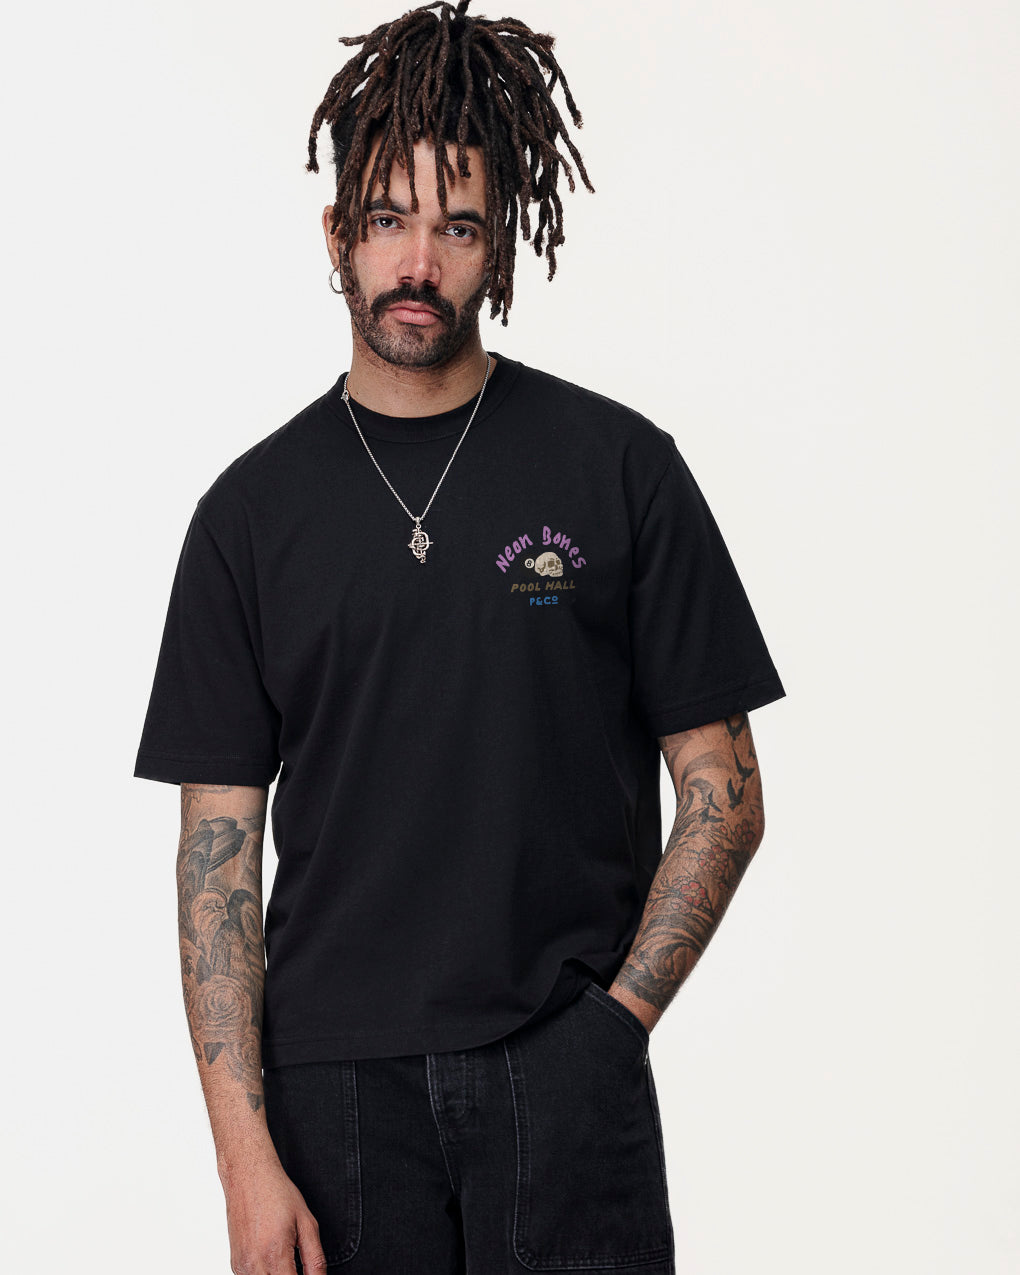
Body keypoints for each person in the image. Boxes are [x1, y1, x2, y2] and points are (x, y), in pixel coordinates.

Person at [133, 2, 787, 1271]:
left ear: (504, 242)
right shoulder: (248, 517)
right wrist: (245, 1160)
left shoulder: (621, 469)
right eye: (387, 220)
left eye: (459, 225)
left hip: (564, 1069)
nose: (419, 262)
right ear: (337, 233)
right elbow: (217, 860)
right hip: (333, 1104)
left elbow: (726, 790)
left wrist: (614, 1025)